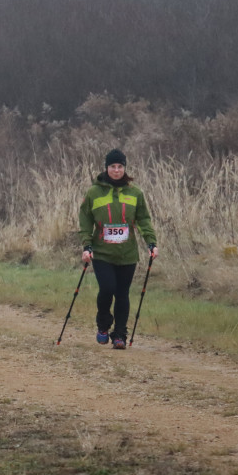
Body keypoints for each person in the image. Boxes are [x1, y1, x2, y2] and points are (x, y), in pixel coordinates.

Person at [78, 149, 158, 350]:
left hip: (127, 254)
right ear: (106, 168)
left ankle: (120, 335)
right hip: (102, 252)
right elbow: (85, 220)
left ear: (124, 168)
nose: (116, 170)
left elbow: (143, 220)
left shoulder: (135, 193)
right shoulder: (94, 192)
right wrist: (86, 245)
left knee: (122, 294)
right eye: (112, 166)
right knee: (107, 289)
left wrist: (151, 242)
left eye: (120, 166)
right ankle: (103, 325)